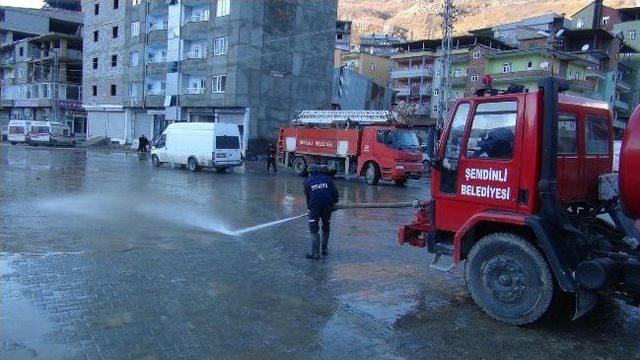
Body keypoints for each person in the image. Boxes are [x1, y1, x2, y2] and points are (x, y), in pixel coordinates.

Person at [303, 164, 339, 260]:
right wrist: (333, 203)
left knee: (314, 230)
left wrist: (309, 209)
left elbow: (308, 197)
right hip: (327, 207)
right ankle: (324, 249)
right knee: (326, 227)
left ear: (310, 173)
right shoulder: (328, 179)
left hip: (314, 208)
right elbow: (335, 194)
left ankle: (315, 254)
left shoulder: (307, 182)